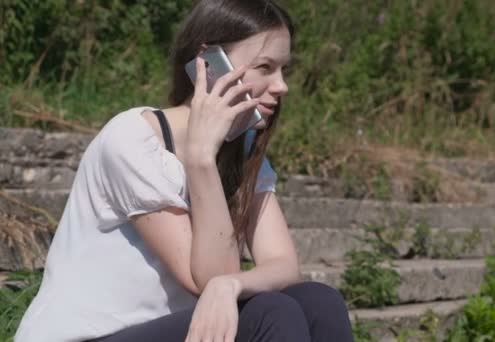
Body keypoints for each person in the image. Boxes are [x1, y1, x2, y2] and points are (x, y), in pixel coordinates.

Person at [14, 1, 354, 341]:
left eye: (283, 70)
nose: (281, 86)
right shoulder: (134, 140)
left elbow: (283, 264)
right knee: (268, 313)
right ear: (208, 62)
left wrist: (233, 284)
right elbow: (207, 279)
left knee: (318, 300)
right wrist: (202, 158)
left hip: (168, 332)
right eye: (265, 67)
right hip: (84, 336)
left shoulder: (245, 150)